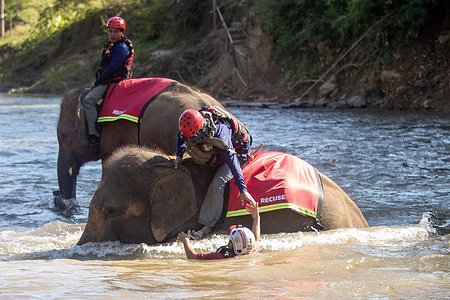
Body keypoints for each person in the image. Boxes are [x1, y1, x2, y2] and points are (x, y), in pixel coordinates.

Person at [174, 106, 256, 238]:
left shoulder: (221, 135)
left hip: (237, 152)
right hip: (216, 148)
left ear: (201, 129)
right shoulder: (194, 122)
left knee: (218, 182)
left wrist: (243, 190)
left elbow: (232, 162)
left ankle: (207, 226)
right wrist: (179, 155)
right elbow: (181, 136)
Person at [82, 16, 134, 145]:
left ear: (122, 33)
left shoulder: (121, 47)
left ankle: (94, 133)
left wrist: (97, 82)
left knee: (88, 101)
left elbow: (112, 68)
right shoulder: (113, 45)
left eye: (116, 31)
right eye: (110, 31)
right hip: (110, 79)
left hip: (115, 82)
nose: (112, 34)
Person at [177, 201, 260, 260]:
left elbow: (192, 256)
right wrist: (256, 217)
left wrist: (185, 240)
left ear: (231, 244)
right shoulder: (251, 250)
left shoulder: (221, 257)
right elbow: (256, 238)